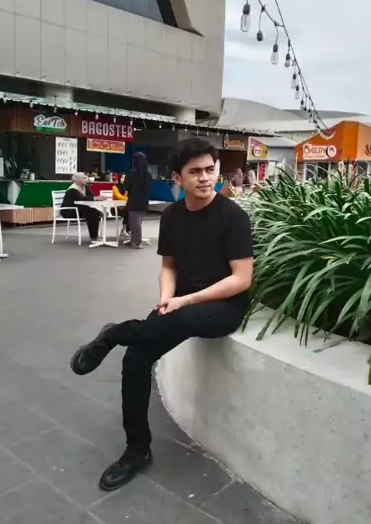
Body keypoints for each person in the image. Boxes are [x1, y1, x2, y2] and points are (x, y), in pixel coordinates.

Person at [69, 137, 254, 492]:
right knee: (135, 359)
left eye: (210, 170)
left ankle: (114, 333)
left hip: (222, 306)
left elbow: (242, 279)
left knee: (183, 318)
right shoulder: (172, 216)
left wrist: (186, 301)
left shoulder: (233, 216)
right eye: (195, 172)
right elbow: (169, 267)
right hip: (181, 302)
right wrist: (166, 299)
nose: (205, 178)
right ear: (178, 177)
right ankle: (137, 450)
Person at [118, 152, 152, 249]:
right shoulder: (148, 174)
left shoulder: (132, 173)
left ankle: (136, 242)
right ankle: (135, 240)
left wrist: (121, 184)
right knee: (138, 222)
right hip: (144, 201)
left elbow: (124, 188)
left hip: (133, 201)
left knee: (134, 223)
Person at [61, 172, 102, 242]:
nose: (86, 179)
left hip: (79, 208)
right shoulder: (72, 189)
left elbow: (92, 196)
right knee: (92, 212)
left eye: (86, 178)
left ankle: (94, 236)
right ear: (78, 180)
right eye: (84, 178)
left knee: (92, 211)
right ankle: (94, 237)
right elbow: (82, 198)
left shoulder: (85, 187)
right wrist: (96, 198)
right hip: (68, 210)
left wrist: (98, 197)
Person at [112, 173, 129, 240]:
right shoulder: (115, 187)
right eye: (122, 177)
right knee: (128, 211)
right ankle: (125, 230)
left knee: (131, 211)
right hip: (116, 208)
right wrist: (129, 199)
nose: (124, 179)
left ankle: (126, 230)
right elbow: (119, 197)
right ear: (119, 178)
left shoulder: (128, 187)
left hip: (125, 207)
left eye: (125, 178)